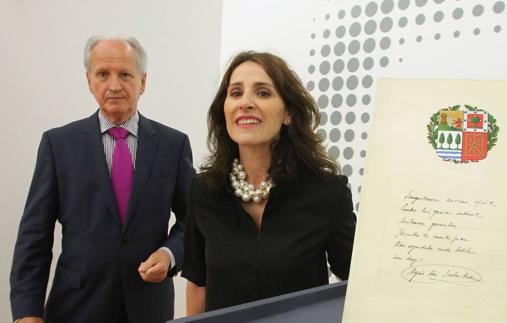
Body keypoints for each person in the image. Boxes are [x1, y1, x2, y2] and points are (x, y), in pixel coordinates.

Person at [10, 36, 195, 323]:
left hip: (148, 307)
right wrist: (27, 312)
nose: (114, 85)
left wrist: (170, 253)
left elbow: (194, 218)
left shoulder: (174, 144)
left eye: (125, 74)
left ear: (142, 82)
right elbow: (34, 235)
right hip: (76, 306)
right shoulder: (58, 145)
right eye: (103, 74)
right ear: (89, 81)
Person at [182, 51, 356, 314]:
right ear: (224, 109)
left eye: (263, 93)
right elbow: (198, 283)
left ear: (288, 113)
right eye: (236, 93)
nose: (245, 103)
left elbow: (355, 282)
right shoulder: (203, 191)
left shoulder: (327, 192)